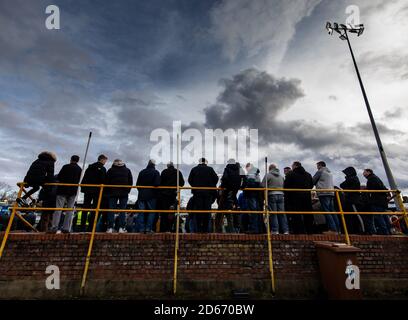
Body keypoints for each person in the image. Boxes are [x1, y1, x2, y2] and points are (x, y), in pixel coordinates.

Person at [50, 155, 82, 233]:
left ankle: (54, 227)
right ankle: (66, 228)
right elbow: (78, 179)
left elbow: (60, 177)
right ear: (78, 160)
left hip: (62, 190)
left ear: (71, 159)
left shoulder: (65, 167)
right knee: (70, 210)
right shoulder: (79, 169)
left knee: (58, 209)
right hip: (73, 191)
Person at [188, 158, 218, 233]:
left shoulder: (194, 169)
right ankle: (205, 229)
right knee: (207, 211)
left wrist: (195, 186)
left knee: (199, 211)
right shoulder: (210, 169)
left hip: (197, 193)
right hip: (208, 194)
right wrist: (211, 186)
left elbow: (189, 180)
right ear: (206, 162)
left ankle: (198, 229)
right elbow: (216, 178)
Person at [80, 154, 108, 232]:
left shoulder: (90, 167)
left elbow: (85, 178)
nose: (105, 162)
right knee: (95, 209)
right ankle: (91, 228)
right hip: (97, 191)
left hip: (88, 190)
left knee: (85, 208)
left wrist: (83, 188)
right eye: (105, 160)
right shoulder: (102, 168)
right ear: (102, 160)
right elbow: (103, 180)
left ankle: (82, 227)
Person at [284, 161, 314, 234]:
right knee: (308, 214)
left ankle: (298, 231)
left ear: (295, 166)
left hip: (294, 198)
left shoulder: (290, 174)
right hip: (306, 197)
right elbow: (311, 185)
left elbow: (286, 186)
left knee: (296, 214)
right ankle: (310, 231)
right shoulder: (308, 174)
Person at [106, 159, 133, 233]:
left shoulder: (110, 170)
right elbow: (130, 181)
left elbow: (106, 182)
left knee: (111, 210)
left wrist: (109, 191)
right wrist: (127, 190)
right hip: (124, 193)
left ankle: (110, 228)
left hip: (112, 193)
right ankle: (122, 228)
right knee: (122, 210)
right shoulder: (127, 170)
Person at [312, 161, 340, 233]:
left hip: (323, 193)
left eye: (317, 166)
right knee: (332, 211)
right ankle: (338, 229)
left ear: (320, 165)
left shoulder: (320, 171)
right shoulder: (329, 172)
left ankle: (333, 229)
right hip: (331, 193)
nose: (317, 167)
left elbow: (313, 181)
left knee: (326, 211)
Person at [216, 159, 243, 233]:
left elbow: (225, 178)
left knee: (221, 213)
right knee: (231, 212)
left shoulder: (227, 168)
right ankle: (233, 230)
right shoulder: (240, 169)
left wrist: (223, 187)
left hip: (227, 191)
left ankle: (218, 230)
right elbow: (245, 179)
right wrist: (242, 187)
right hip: (234, 192)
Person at [135, 159, 161, 233]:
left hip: (141, 195)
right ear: (154, 165)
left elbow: (137, 184)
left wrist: (141, 191)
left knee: (141, 212)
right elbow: (157, 184)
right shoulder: (156, 172)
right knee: (151, 212)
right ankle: (148, 229)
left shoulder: (142, 172)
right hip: (151, 195)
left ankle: (141, 229)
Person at [262, 164, 288, 235]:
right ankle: (285, 230)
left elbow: (263, 185)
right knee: (282, 213)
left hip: (272, 195)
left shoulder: (268, 175)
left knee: (273, 213)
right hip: (281, 195)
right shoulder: (281, 176)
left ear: (270, 169)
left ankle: (275, 230)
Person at [158, 162, 184, 232]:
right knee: (171, 213)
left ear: (167, 166)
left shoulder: (164, 172)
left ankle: (163, 229)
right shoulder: (177, 172)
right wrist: (176, 188)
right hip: (173, 195)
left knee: (164, 213)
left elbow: (160, 183)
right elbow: (182, 183)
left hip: (164, 196)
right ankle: (170, 228)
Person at [363, 169, 391, 235]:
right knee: (384, 216)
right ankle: (389, 231)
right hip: (381, 201)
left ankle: (384, 231)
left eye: (364, 172)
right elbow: (383, 188)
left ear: (369, 172)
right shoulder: (376, 178)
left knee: (379, 217)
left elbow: (371, 190)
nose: (363, 174)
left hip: (377, 201)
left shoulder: (371, 179)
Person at [339, 167, 365, 234]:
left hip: (353, 200)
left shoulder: (353, 178)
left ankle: (361, 230)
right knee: (349, 216)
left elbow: (342, 185)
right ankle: (351, 230)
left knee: (356, 215)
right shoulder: (353, 178)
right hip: (350, 200)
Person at [242, 163, 263, 234]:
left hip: (251, 195)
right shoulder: (257, 174)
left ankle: (254, 229)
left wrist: (244, 187)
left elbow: (250, 183)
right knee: (256, 212)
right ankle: (258, 229)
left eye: (247, 168)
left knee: (252, 212)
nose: (246, 169)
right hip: (256, 195)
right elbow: (259, 184)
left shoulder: (251, 173)